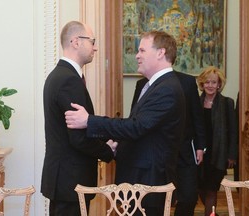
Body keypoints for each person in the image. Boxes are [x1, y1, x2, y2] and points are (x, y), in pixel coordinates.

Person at [65, 30, 186, 216]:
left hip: (149, 184)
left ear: (161, 53)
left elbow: (135, 127)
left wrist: (89, 121)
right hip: (141, 182)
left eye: (142, 51)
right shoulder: (154, 85)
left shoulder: (167, 88)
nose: (137, 56)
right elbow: (140, 128)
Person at [41, 21, 117, 216]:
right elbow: (78, 137)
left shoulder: (59, 75)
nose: (96, 47)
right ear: (76, 42)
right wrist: (108, 150)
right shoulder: (68, 79)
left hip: (65, 180)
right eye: (92, 41)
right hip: (70, 181)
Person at [131, 72, 206, 216]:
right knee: (156, 198)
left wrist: (200, 146)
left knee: (189, 196)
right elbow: (134, 118)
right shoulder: (142, 84)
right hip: (156, 152)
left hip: (184, 149)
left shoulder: (187, 81)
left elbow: (197, 116)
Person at [196, 66, 237, 216]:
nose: (210, 85)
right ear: (202, 84)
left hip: (218, 155)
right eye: (207, 82)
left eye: (214, 82)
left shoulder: (227, 103)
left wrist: (232, 155)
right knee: (200, 188)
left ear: (219, 84)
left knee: (211, 190)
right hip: (200, 154)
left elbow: (233, 131)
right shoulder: (195, 103)